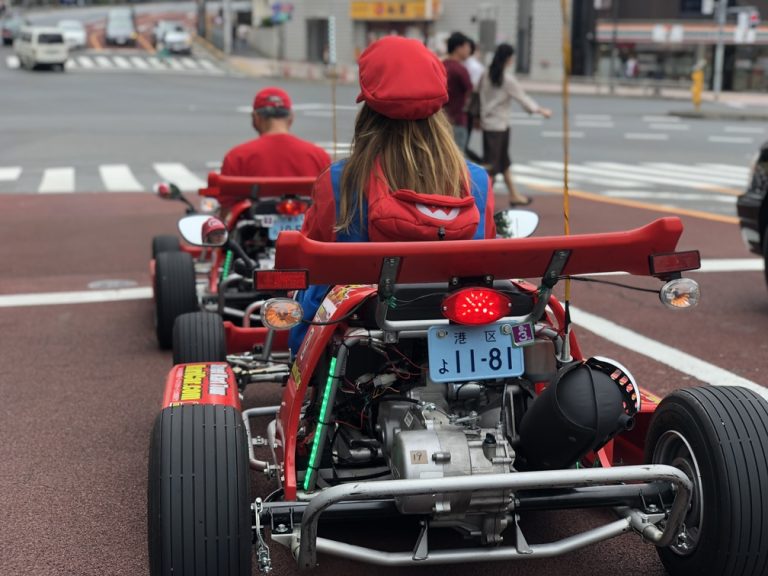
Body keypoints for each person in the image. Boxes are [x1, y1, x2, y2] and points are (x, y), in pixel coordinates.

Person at [290, 35, 497, 353]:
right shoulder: (477, 181)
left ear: (369, 108)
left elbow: (316, 266)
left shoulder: (340, 180)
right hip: (459, 327)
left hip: (366, 333)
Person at [479, 43, 552, 207]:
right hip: (499, 127)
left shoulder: (486, 74)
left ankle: (513, 195)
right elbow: (523, 98)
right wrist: (540, 111)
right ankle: (481, 202)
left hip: (489, 125)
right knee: (491, 168)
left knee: (503, 163)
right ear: (508, 59)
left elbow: (477, 96)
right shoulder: (506, 79)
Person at [221, 86, 331, 182]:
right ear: (291, 117)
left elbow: (226, 202)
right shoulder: (319, 156)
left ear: (256, 118)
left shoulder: (237, 157)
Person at [442, 32, 474, 152]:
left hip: (440, 121)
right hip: (457, 121)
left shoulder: (441, 65)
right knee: (458, 161)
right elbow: (469, 92)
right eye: (467, 47)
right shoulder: (460, 70)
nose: (469, 50)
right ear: (458, 48)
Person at [463, 39, 485, 163]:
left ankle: (479, 163)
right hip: (467, 111)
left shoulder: (473, 66)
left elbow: (476, 92)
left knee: (462, 144)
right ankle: (480, 162)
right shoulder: (475, 66)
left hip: (466, 110)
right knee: (462, 144)